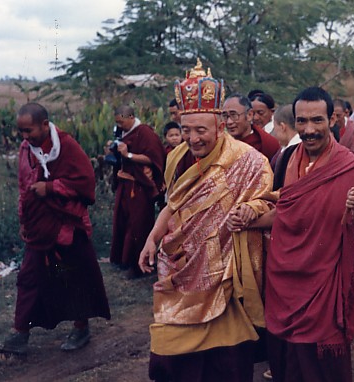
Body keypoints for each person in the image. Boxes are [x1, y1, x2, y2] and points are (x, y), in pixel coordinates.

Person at [139, 59, 277, 382]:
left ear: (220, 125)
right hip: (183, 269)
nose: (193, 138)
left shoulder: (249, 162)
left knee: (226, 364)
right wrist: (152, 238)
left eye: (201, 130)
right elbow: (172, 204)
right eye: (186, 130)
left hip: (226, 273)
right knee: (170, 356)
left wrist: (251, 211)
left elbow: (265, 201)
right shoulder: (177, 157)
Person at [255, 87, 354, 382]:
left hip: (325, 280)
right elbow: (284, 211)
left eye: (317, 121)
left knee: (321, 367)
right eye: (302, 121)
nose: (309, 130)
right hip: (284, 275)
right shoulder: (285, 160)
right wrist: (248, 219)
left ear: (332, 120)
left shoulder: (352, 168)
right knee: (287, 359)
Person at [0, 103, 111, 356]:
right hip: (39, 226)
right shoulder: (26, 148)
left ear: (45, 124)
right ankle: (20, 334)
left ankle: (81, 328)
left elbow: (85, 183)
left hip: (66, 224)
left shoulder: (66, 146)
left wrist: (52, 188)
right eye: (20, 131)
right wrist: (25, 219)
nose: (24, 137)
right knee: (29, 278)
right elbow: (24, 185)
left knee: (74, 276)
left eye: (28, 130)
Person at [109, 106, 166, 278]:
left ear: (132, 116)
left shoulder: (145, 133)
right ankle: (124, 260)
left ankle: (139, 264)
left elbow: (154, 158)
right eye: (117, 122)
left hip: (140, 186)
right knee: (123, 221)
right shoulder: (122, 133)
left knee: (138, 224)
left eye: (121, 121)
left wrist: (129, 155)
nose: (119, 125)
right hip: (125, 183)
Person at [223, 94, 281, 160]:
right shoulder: (221, 144)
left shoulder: (268, 144)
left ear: (249, 115)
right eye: (225, 116)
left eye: (234, 115)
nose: (229, 122)